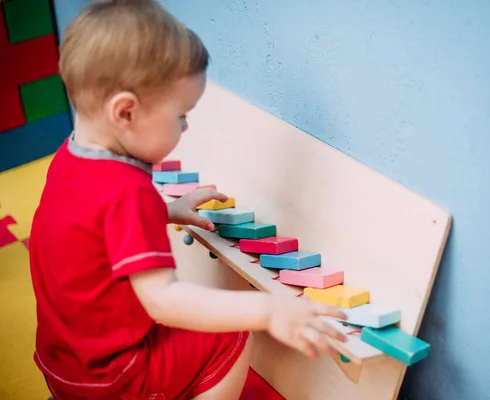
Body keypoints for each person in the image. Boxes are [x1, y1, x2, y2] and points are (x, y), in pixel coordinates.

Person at [28, 1, 347, 399]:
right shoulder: (129, 190)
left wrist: (165, 212)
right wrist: (268, 310)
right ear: (125, 112)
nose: (186, 125)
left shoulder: (70, 156)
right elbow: (164, 300)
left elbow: (91, 228)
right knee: (230, 334)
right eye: (180, 114)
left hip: (64, 366)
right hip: (116, 378)